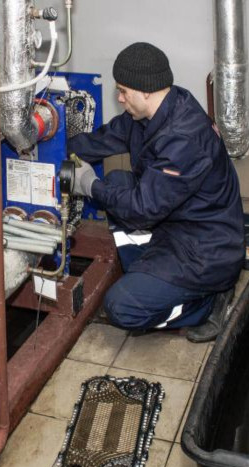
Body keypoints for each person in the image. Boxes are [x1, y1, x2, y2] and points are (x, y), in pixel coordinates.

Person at [68, 42, 245, 342]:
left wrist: (89, 185)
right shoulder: (151, 113)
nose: (119, 98)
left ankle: (205, 303)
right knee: (119, 181)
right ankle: (152, 276)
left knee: (121, 307)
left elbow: (141, 209)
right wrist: (55, 147)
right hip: (175, 225)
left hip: (206, 251)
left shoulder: (184, 138)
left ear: (146, 90)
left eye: (123, 91)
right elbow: (102, 140)